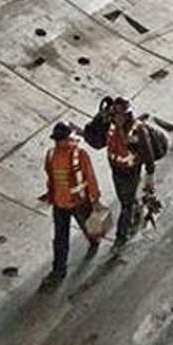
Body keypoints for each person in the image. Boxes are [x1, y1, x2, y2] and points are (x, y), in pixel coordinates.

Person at [40, 122, 100, 284]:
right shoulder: (51, 155)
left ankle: (94, 239)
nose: (62, 143)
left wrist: (95, 199)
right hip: (60, 204)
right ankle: (59, 269)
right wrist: (51, 195)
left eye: (64, 139)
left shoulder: (80, 155)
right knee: (60, 238)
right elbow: (50, 177)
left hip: (79, 202)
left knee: (88, 225)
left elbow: (90, 177)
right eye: (59, 140)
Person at [104, 97, 158, 248]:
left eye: (121, 115)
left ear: (128, 115)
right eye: (115, 115)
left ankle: (120, 238)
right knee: (125, 200)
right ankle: (137, 208)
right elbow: (96, 140)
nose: (118, 118)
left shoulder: (138, 130)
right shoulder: (111, 127)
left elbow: (147, 153)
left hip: (131, 172)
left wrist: (150, 174)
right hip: (116, 172)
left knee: (125, 206)